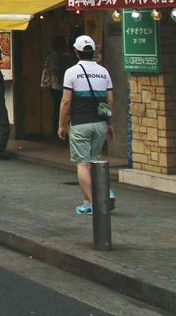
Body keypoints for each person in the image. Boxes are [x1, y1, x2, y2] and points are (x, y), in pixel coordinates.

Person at [58, 34, 115, 215]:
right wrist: (109, 123)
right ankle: (104, 193)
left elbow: (66, 101)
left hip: (81, 123)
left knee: (82, 164)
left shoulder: (72, 72)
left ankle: (90, 202)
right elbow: (110, 100)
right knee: (95, 161)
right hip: (100, 124)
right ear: (93, 52)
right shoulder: (104, 71)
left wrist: (61, 124)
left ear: (76, 52)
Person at [45, 35, 74, 142]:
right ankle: (58, 130)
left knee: (59, 108)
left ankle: (59, 130)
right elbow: (54, 71)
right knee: (59, 108)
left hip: (58, 86)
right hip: (57, 86)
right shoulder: (56, 55)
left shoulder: (58, 55)